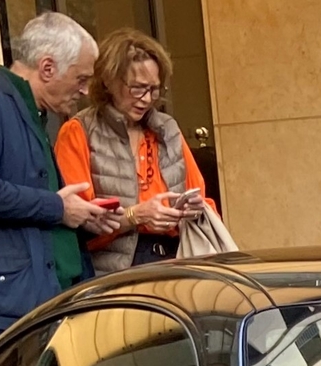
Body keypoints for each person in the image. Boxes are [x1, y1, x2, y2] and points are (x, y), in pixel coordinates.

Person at [0, 11, 112, 353]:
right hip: (8, 309)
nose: (86, 90)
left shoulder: (37, 112)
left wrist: (86, 219)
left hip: (49, 302)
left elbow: (36, 206)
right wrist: (58, 207)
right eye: (80, 78)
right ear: (47, 68)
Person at [55, 29, 214, 275]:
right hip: (113, 271)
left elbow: (202, 198)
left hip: (178, 258)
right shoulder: (79, 131)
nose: (147, 99)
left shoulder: (167, 128)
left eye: (154, 89)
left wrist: (190, 211)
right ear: (108, 81)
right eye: (138, 88)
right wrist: (135, 215)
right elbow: (78, 222)